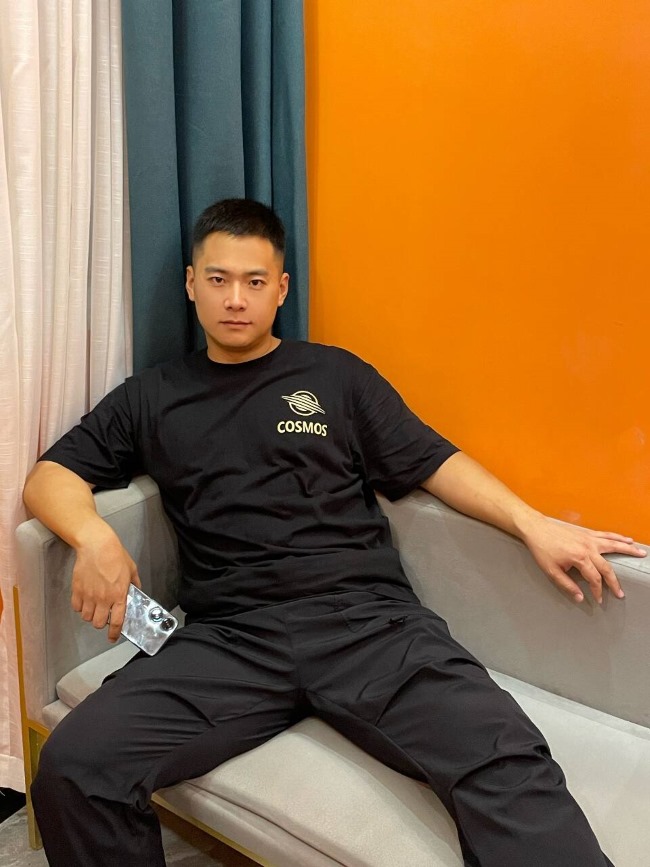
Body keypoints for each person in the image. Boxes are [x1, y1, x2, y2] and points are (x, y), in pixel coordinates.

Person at [24, 198, 645, 867]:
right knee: (76, 766)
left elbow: (433, 461)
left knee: (507, 762)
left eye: (255, 281)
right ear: (191, 283)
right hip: (231, 638)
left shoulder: (335, 376)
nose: (236, 299)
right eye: (219, 279)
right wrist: (93, 537)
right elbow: (50, 474)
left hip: (368, 624)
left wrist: (532, 523)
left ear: (282, 288)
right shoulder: (152, 396)